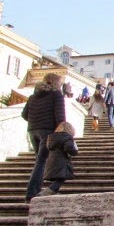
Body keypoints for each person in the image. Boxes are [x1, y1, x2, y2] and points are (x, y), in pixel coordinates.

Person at [21, 73, 66, 203]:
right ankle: (31, 193)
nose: (61, 85)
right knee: (41, 161)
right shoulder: (57, 95)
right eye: (60, 82)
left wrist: (35, 122)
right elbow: (60, 117)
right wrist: (63, 133)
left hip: (33, 131)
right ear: (55, 83)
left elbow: (24, 115)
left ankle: (35, 190)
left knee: (40, 161)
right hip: (47, 131)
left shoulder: (33, 96)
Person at [37, 122, 79, 197]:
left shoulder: (52, 137)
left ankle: (54, 191)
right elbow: (69, 148)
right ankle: (48, 191)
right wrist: (75, 151)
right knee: (61, 178)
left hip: (52, 161)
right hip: (61, 161)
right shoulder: (67, 137)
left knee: (60, 178)